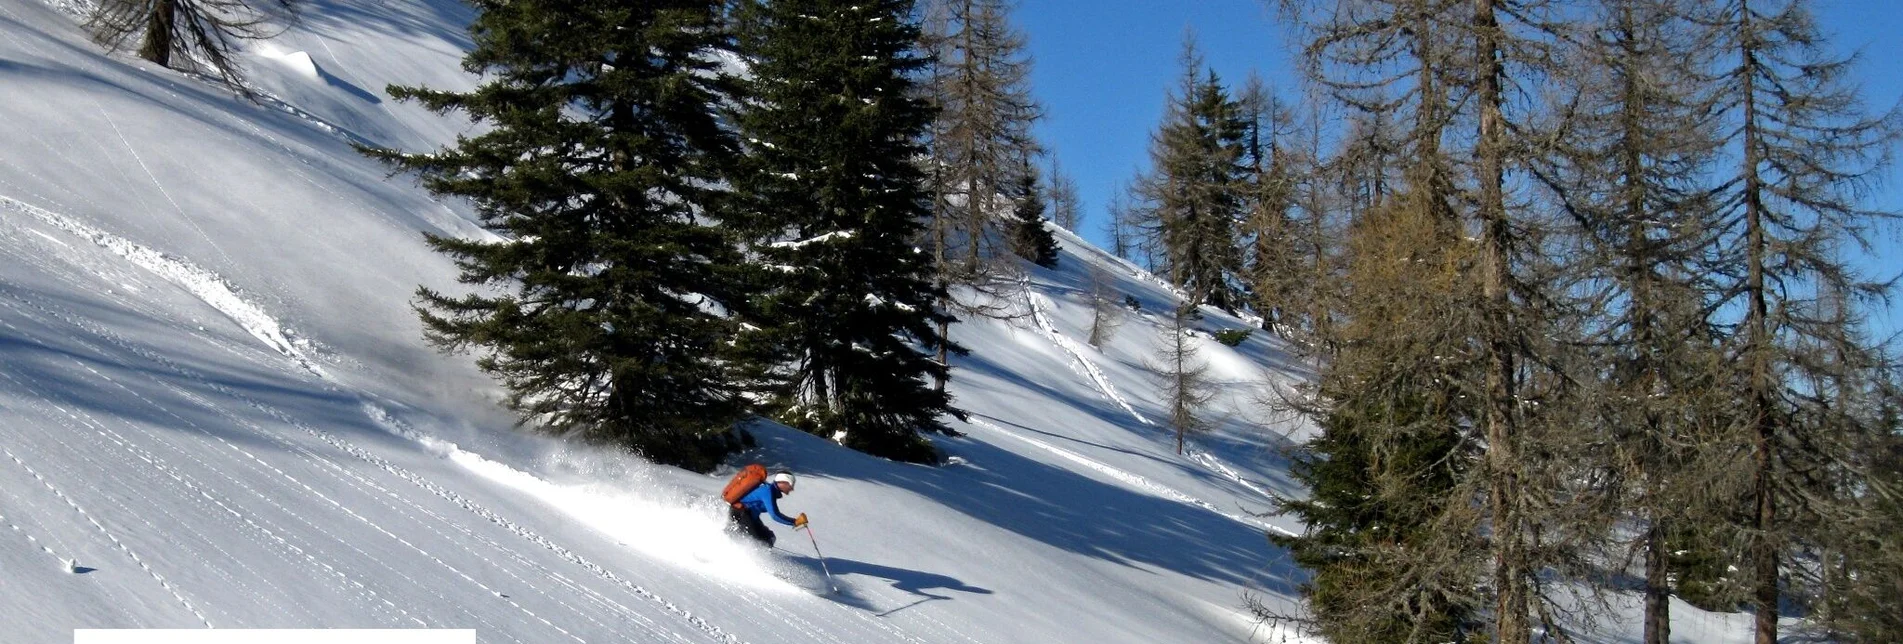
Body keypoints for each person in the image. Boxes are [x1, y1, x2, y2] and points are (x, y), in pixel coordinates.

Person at [729, 470, 807, 547]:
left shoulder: (769, 490)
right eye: (791, 484)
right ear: (783, 482)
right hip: (741, 514)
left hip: (747, 516)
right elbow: (775, 515)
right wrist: (795, 522)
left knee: (768, 538)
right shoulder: (767, 491)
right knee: (758, 542)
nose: (792, 488)